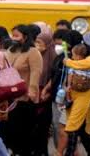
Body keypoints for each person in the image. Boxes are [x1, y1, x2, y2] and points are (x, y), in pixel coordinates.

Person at [0, 24, 43, 155]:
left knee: (22, 131)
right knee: (7, 130)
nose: (14, 38)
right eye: (12, 35)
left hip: (24, 98)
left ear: (25, 37)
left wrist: (32, 92)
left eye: (17, 36)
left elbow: (36, 73)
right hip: (8, 96)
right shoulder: (10, 50)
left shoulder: (33, 52)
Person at [63, 43, 90, 156]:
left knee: (73, 125)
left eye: (73, 54)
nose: (72, 56)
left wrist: (68, 62)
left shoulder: (89, 60)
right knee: (81, 128)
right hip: (78, 97)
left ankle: (69, 153)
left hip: (82, 97)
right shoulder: (86, 66)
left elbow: (69, 81)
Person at [32, 24, 56, 156]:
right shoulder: (35, 56)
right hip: (34, 93)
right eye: (36, 42)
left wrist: (47, 91)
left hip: (45, 96)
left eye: (39, 42)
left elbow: (54, 77)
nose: (37, 45)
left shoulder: (53, 57)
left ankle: (42, 151)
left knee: (43, 125)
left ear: (47, 44)